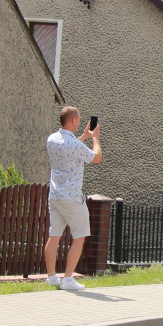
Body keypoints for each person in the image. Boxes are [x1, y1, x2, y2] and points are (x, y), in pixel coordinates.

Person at [43, 106, 102, 291]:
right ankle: (68, 279)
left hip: (55, 196)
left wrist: (83, 137)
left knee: (54, 236)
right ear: (74, 121)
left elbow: (69, 148)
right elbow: (96, 158)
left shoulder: (52, 139)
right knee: (79, 236)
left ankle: (52, 277)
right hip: (73, 199)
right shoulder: (75, 145)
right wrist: (95, 139)